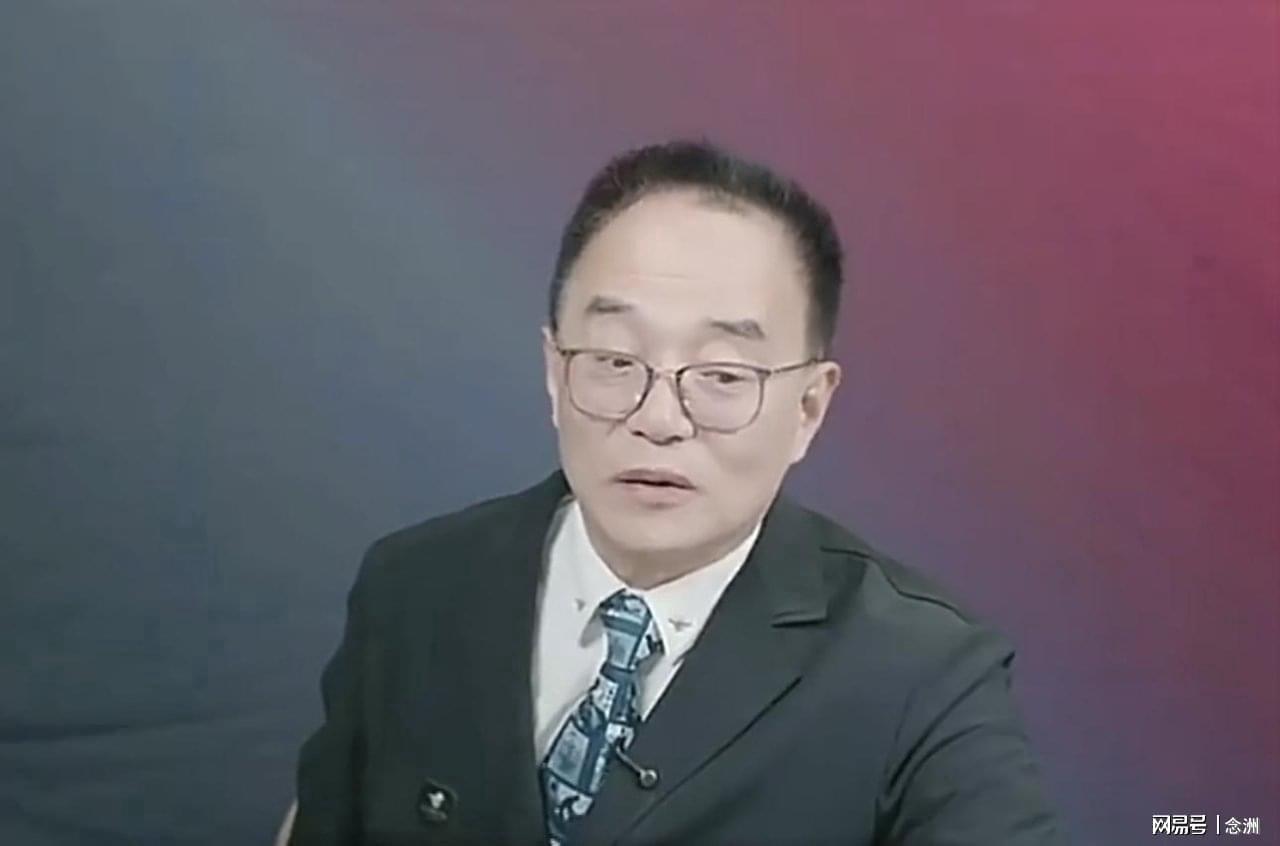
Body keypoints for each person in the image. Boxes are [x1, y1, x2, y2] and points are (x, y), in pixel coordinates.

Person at [289, 140, 1064, 845]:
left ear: (808, 409)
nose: (659, 420)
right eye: (614, 360)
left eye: (723, 375)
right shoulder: (414, 590)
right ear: (555, 372)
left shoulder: (921, 672)